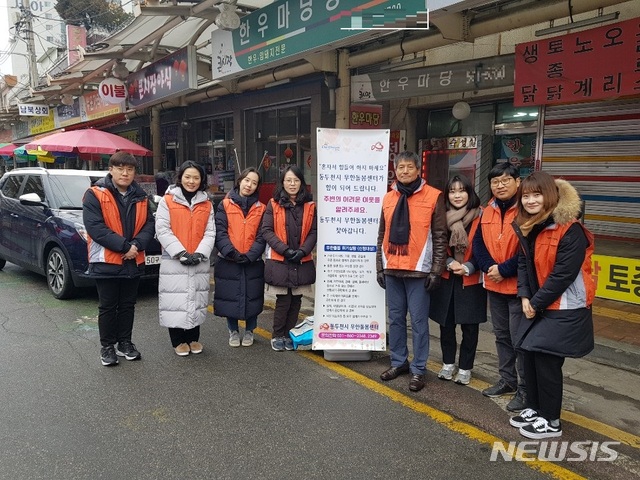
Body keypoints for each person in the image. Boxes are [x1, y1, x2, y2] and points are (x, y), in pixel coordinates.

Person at [509, 171, 595, 439]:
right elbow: (523, 263)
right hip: (539, 304)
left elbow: (562, 275)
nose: (531, 201)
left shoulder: (571, 230)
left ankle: (551, 421)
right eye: (526, 196)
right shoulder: (530, 225)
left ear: (551, 196)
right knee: (530, 354)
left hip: (566, 308)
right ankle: (535, 408)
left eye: (537, 195)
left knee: (546, 361)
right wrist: (524, 296)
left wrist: (535, 302)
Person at [376, 151, 447, 392]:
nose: (404, 171)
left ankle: (418, 369)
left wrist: (436, 270)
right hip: (393, 268)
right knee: (395, 320)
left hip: (419, 271)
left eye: (409, 167)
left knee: (418, 323)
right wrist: (380, 266)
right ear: (395, 170)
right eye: (400, 167)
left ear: (419, 169)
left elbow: (439, 236)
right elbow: (381, 235)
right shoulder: (388, 197)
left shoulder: (434, 196)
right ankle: (398, 362)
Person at [83, 152, 156, 367]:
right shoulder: (95, 194)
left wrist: (137, 246)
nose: (125, 173)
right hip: (106, 260)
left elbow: (149, 225)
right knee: (107, 306)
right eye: (120, 168)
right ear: (111, 169)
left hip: (133, 260)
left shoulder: (141, 196)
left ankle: (125, 343)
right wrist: (126, 247)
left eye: (130, 169)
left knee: (127, 305)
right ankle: (107, 347)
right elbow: (96, 228)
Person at [472, 162, 527, 412]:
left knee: (521, 340)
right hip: (495, 286)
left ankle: (525, 390)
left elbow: (530, 249)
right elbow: (478, 245)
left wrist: (503, 269)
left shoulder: (527, 209)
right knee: (502, 337)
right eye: (495, 181)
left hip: (519, 288)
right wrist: (489, 268)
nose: (500, 185)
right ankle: (507, 380)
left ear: (518, 182)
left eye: (505, 180)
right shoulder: (487, 211)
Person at [429, 174, 487, 386]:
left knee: (470, 328)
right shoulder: (441, 216)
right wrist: (449, 262)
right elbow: (435, 244)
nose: (457, 195)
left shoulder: (481, 216)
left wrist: (469, 267)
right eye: (452, 191)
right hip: (447, 278)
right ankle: (447, 364)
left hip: (471, 279)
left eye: (461, 190)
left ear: (469, 192)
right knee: (446, 325)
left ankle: (465, 368)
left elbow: (486, 248)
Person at [155, 161, 215, 356]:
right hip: (174, 259)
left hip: (199, 259)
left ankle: (193, 338)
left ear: (202, 180)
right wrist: (180, 252)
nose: (191, 181)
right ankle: (178, 340)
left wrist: (200, 253)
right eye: (187, 177)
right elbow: (163, 229)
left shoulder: (206, 203)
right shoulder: (168, 201)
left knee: (195, 298)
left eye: (196, 177)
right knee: (175, 300)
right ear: (180, 178)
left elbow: (210, 232)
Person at [262, 165, 317, 352]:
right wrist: (285, 250)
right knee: (283, 299)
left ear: (301, 182)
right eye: (288, 180)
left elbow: (314, 231)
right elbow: (267, 231)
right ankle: (278, 335)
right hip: (280, 258)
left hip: (302, 258)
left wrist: (302, 251)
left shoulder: (310, 205)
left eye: (296, 180)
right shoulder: (273, 203)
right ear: (282, 183)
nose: (292, 184)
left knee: (297, 299)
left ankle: (289, 334)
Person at [214, 167, 266, 348]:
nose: (249, 185)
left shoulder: (262, 208)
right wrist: (232, 253)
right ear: (240, 181)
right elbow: (220, 232)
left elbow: (262, 236)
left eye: (254, 182)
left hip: (253, 262)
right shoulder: (225, 204)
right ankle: (233, 330)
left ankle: (250, 330)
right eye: (247, 180)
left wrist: (251, 255)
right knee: (231, 296)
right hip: (229, 260)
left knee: (252, 297)